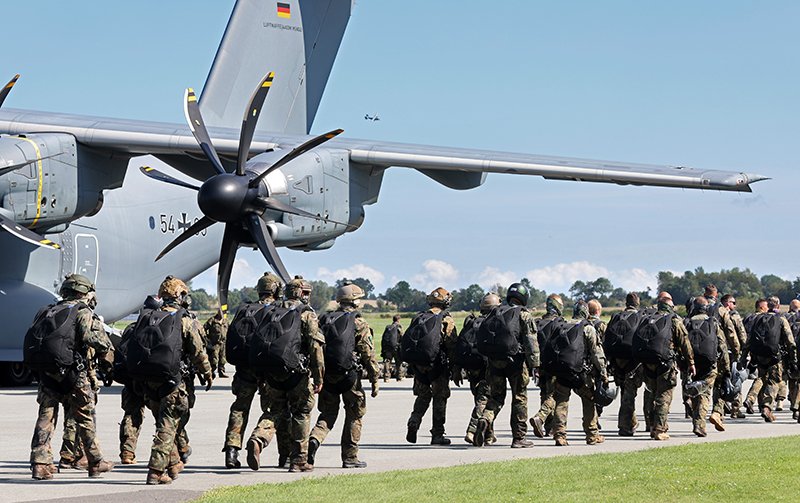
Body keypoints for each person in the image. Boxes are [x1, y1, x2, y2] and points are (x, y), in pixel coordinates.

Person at [26, 274, 115, 480]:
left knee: (46, 416)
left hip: (48, 373)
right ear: (84, 292)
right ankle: (95, 461)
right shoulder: (82, 312)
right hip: (75, 373)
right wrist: (107, 355)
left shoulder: (47, 310)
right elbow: (94, 339)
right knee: (85, 416)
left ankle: (40, 464)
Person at [126, 276, 213, 484]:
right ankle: (156, 471)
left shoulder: (147, 317)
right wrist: (207, 373)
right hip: (174, 382)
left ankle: (173, 464)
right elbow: (198, 352)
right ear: (180, 295)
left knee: (164, 423)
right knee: (167, 425)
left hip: (149, 382)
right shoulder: (184, 320)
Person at [246, 276, 324, 472]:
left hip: (272, 373)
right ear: (301, 294)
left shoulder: (272, 312)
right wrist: (318, 376)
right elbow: (316, 348)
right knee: (301, 412)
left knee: (275, 412)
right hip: (297, 374)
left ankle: (258, 438)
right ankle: (298, 460)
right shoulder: (306, 314)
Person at [308, 281, 380, 469]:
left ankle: (315, 438)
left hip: (327, 376)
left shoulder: (324, 319)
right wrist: (374, 378)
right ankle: (350, 457)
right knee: (355, 414)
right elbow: (368, 353)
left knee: (328, 413)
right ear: (355, 300)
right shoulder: (359, 322)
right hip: (349, 378)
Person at [221, 273, 284, 469]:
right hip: (268, 370)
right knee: (275, 409)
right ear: (276, 290)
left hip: (244, 369)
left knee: (239, 408)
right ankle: (260, 439)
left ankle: (231, 452)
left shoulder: (245, 309)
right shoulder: (279, 310)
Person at [475, 283, 538, 448]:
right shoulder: (524, 315)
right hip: (516, 363)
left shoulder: (495, 312)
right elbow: (531, 343)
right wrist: (535, 366)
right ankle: (519, 438)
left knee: (496, 397)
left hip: (495, 362)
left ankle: (485, 418)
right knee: (519, 398)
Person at [542, 301, 607, 446]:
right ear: (586, 312)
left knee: (561, 402)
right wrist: (603, 372)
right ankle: (592, 435)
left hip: (562, 372)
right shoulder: (587, 328)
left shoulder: (562, 326)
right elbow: (596, 353)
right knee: (589, 401)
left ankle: (559, 435)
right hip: (581, 374)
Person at [632, 292, 695, 440]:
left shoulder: (646, 319)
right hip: (665, 364)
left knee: (653, 395)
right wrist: (690, 362)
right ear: (670, 306)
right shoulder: (673, 320)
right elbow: (685, 343)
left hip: (648, 363)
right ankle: (660, 429)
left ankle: (653, 427)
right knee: (664, 396)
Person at [402, 287, 458, 446]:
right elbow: (451, 345)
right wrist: (455, 367)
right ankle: (438, 434)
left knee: (423, 396)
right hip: (437, 366)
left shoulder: (418, 317)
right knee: (440, 398)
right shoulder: (446, 319)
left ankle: (414, 420)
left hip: (419, 366)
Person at [452, 292, 500, 445]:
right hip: (487, 367)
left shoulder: (471, 322)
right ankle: (472, 430)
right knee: (484, 400)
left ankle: (488, 435)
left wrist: (457, 369)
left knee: (480, 399)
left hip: (471, 367)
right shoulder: (494, 322)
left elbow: (459, 345)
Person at [741, 296, 797, 422]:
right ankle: (767, 407)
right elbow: (790, 342)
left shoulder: (758, 318)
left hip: (759, 356)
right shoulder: (781, 319)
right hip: (775, 357)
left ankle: (751, 398)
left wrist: (744, 358)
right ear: (778, 306)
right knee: (774, 381)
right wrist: (793, 360)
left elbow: (748, 341)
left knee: (761, 378)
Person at [684, 297, 729, 436]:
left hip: (691, 364)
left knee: (697, 391)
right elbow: (722, 345)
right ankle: (699, 425)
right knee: (704, 393)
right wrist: (726, 367)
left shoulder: (686, 322)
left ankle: (696, 419)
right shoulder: (712, 323)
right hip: (709, 363)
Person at [604, 292, 646, 436]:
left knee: (626, 392)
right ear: (637, 303)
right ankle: (625, 425)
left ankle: (631, 422)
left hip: (617, 361)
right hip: (632, 362)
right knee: (629, 394)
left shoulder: (616, 317)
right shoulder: (640, 317)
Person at [530, 294, 565, 437]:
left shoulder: (538, 322)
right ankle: (541, 417)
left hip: (540, 366)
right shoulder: (560, 322)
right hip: (554, 365)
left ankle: (549, 428)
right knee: (554, 395)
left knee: (544, 394)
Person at [720, 294, 748, 419]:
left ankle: (721, 406)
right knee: (737, 379)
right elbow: (741, 333)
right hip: (732, 351)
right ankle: (735, 409)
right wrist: (744, 350)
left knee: (721, 379)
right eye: (733, 302)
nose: (735, 305)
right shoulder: (734, 316)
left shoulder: (715, 314)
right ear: (727, 303)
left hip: (719, 352)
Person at [742, 298, 769, 414]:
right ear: (762, 307)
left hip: (750, 350)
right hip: (762, 351)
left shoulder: (748, 317)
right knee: (762, 377)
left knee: (759, 376)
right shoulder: (764, 318)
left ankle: (759, 404)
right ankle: (752, 399)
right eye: (766, 307)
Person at [205, 309, 229, 378]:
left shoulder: (225, 321)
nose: (222, 314)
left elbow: (229, 330)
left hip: (223, 343)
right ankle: (211, 372)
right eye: (221, 312)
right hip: (214, 343)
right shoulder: (212, 320)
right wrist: (207, 339)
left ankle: (221, 371)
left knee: (222, 358)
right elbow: (204, 328)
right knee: (214, 359)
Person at [380, 315, 405, 382]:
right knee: (398, 362)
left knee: (387, 362)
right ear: (398, 319)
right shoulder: (399, 327)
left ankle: (386, 378)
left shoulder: (388, 327)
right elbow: (402, 336)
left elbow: (383, 338)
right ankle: (399, 377)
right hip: (396, 347)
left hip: (388, 348)